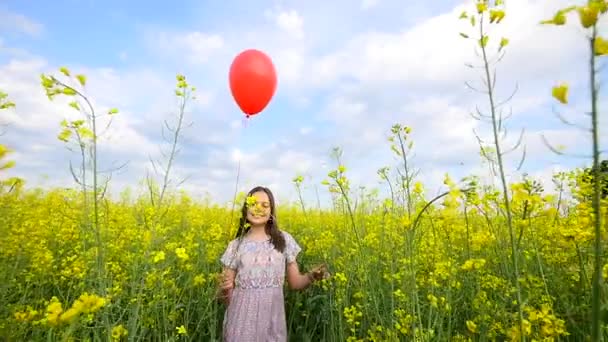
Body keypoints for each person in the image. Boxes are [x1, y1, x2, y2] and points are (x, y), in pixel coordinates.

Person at [218, 185, 328, 341]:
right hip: (241, 321)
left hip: (272, 320)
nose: (258, 209)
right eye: (253, 204)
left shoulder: (284, 240)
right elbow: (226, 299)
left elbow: (295, 283)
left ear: (271, 211)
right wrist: (225, 289)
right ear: (245, 209)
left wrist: (312, 276)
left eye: (265, 205)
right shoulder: (235, 246)